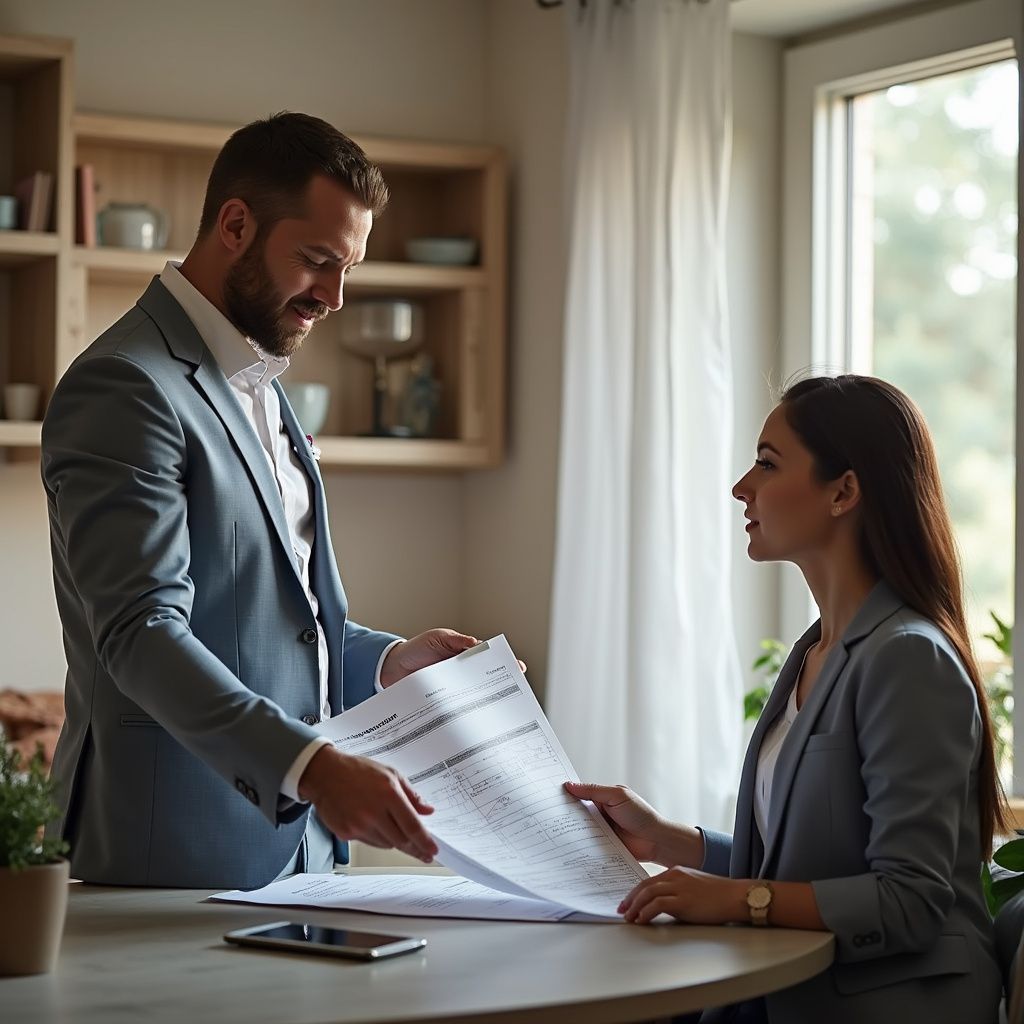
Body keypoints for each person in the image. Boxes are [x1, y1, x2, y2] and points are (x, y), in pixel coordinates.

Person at [42, 112, 478, 889]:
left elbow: (269, 624)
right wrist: (312, 768)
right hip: (172, 856)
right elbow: (141, 634)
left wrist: (385, 662)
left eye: (349, 269)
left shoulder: (264, 380)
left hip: (304, 860)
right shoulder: (127, 385)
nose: (336, 297)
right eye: (317, 260)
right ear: (236, 225)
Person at [566, 375, 1006, 1023]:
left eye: (767, 464)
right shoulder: (813, 651)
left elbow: (911, 899)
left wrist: (733, 898)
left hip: (887, 1006)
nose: (742, 486)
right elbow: (802, 865)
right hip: (790, 993)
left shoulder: (908, 657)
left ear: (844, 491)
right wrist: (667, 840)